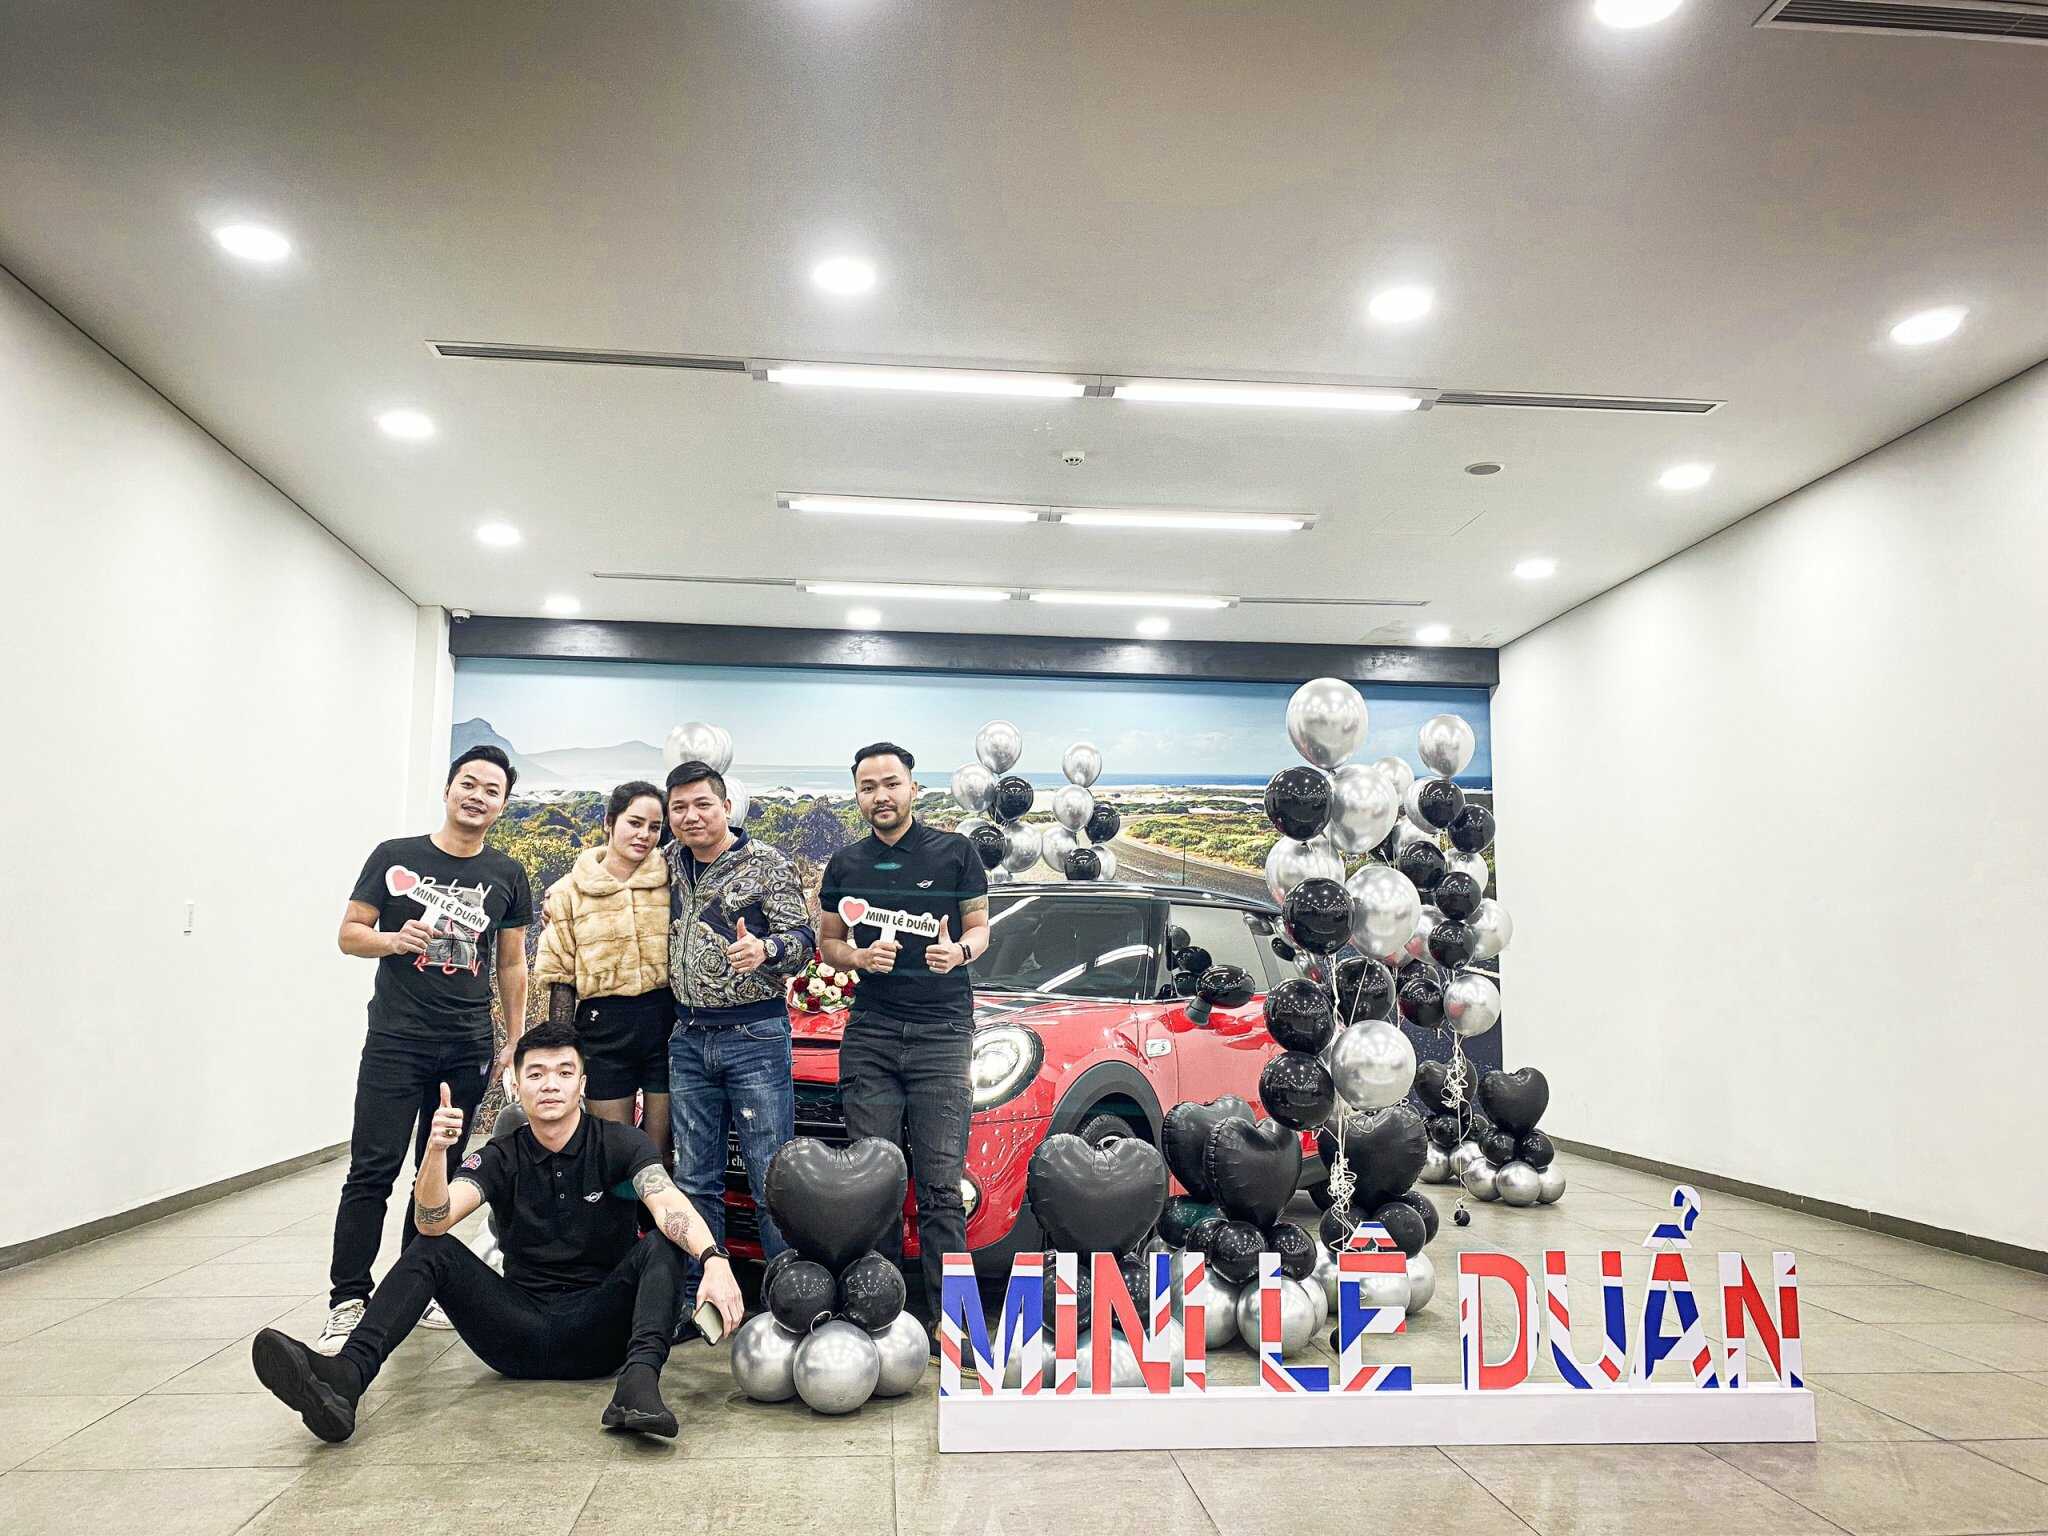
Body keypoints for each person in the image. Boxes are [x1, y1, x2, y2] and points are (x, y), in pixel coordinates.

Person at [252, 1021, 744, 1442]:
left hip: (600, 1334)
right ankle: (345, 1379)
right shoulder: (501, 1154)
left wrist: (714, 1260)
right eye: (536, 1074)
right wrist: (435, 1152)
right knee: (431, 1248)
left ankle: (638, 1387)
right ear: (517, 1084)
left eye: (564, 1073)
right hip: (516, 1333)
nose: (550, 1085)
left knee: (663, 1241)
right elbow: (433, 1219)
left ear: (582, 1084)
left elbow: (666, 1202)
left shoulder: (622, 1144)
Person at [320, 745, 532, 1353]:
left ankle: (413, 1289)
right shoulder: (395, 857)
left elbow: (511, 963)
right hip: (395, 1040)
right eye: (469, 783)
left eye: (492, 790)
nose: (478, 796)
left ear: (502, 806)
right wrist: (393, 939)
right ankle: (348, 1299)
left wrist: (514, 1040)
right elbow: (349, 934)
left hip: (466, 1045)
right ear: (447, 789)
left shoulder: (507, 874)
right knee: (372, 1170)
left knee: (437, 1170)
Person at [817, 743, 990, 1330]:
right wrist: (859, 958)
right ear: (857, 796)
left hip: (943, 1032)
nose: (881, 796)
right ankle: (881, 1323)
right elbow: (829, 944)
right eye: (868, 787)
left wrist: (958, 951)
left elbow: (980, 929)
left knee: (941, 1189)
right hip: (871, 1032)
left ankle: (956, 1329)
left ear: (914, 788)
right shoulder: (846, 864)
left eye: (891, 783)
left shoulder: (955, 852)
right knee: (875, 1185)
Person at [663, 759, 813, 1313]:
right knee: (694, 1178)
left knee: (770, 1177)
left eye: (702, 804)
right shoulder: (667, 863)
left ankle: (784, 1305)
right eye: (679, 807)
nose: (691, 816)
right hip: (686, 1035)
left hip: (754, 1036)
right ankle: (696, 1302)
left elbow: (803, 939)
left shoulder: (767, 864)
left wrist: (766, 949)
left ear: (727, 806)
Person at [533, 780, 674, 1166]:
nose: (644, 835)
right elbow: (561, 977)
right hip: (604, 1028)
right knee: (613, 1153)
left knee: (660, 1154)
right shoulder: (568, 892)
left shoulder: (673, 880)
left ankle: (660, 1208)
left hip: (666, 1024)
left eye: (654, 827)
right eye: (635, 823)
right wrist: (560, 1050)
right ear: (609, 822)